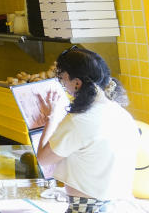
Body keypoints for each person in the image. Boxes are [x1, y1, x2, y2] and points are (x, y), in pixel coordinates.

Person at [36, 46, 136, 213]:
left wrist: (51, 119)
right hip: (117, 205)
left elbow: (43, 159)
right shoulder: (121, 114)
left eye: (63, 80)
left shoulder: (79, 121)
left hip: (87, 207)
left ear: (77, 83)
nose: (64, 87)